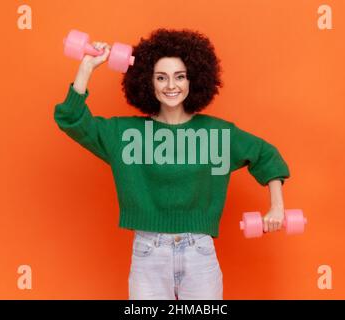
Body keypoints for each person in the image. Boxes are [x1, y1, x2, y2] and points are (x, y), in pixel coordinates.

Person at [54, 28, 290, 300]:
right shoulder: (125, 135)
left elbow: (266, 155)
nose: (171, 86)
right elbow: (72, 120)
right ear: (148, 82)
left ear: (194, 80)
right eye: (161, 77)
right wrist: (87, 66)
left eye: (180, 77)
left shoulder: (217, 134)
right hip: (148, 253)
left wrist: (277, 207)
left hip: (199, 253)